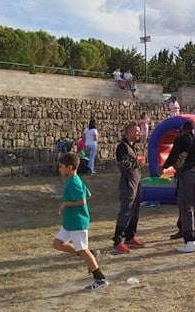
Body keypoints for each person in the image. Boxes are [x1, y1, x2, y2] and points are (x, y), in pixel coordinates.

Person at [52, 152, 109, 291]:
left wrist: (65, 204)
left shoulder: (74, 182)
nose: (59, 169)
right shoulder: (74, 180)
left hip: (77, 223)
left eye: (61, 167)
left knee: (82, 250)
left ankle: (100, 279)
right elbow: (88, 194)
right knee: (57, 244)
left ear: (69, 167)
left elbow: (82, 200)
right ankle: (91, 253)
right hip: (70, 223)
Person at [161, 121, 195, 253]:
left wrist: (163, 167)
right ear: (194, 129)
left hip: (187, 174)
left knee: (187, 206)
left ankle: (190, 240)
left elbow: (173, 156)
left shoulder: (181, 139)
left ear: (184, 130)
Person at [111, 124, 145, 253]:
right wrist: (137, 162)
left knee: (135, 210)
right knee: (126, 210)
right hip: (128, 183)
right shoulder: (122, 147)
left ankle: (130, 236)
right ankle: (118, 240)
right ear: (128, 132)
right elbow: (123, 165)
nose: (139, 134)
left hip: (136, 182)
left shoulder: (132, 147)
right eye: (136, 131)